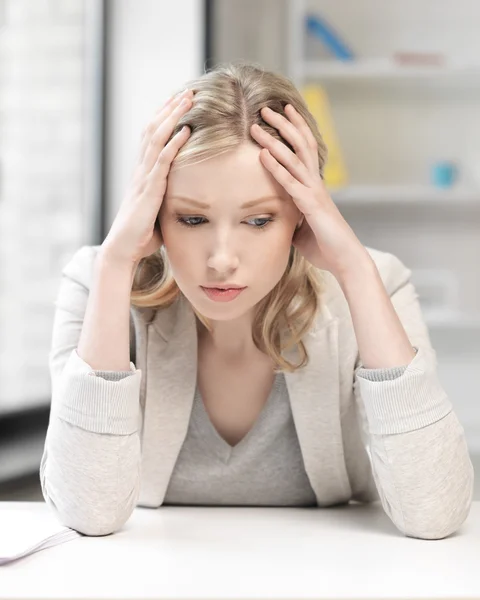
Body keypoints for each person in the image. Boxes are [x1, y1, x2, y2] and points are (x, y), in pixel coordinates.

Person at [40, 62, 474, 540]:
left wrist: (354, 268)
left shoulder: (376, 284)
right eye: (191, 219)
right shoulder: (98, 282)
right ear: (154, 212)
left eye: (259, 220)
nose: (222, 260)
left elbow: (434, 513)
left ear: (302, 216)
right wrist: (115, 263)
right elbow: (87, 510)